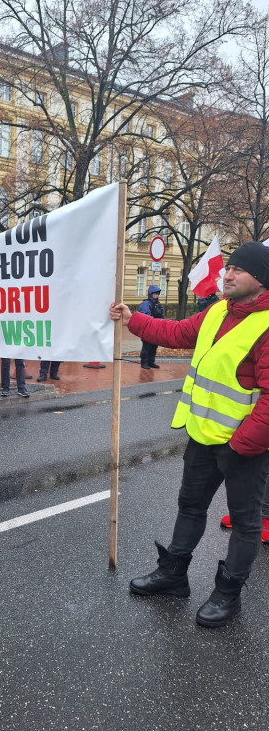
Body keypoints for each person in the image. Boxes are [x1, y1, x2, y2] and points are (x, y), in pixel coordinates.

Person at [110, 241, 269, 628]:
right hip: (202, 437)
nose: (227, 274)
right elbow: (177, 332)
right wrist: (132, 319)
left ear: (262, 281)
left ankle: (228, 595)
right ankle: (173, 575)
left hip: (243, 448)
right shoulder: (216, 312)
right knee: (190, 506)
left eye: (238, 270)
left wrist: (240, 445)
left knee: (246, 523)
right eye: (227, 268)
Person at [137, 285, 164, 368]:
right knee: (146, 346)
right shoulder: (146, 304)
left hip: (156, 328)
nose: (156, 295)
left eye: (157, 293)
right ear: (151, 294)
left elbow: (162, 316)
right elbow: (144, 316)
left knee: (154, 346)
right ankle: (144, 363)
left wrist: (163, 324)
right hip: (148, 329)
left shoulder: (158, 304)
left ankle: (151, 361)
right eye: (155, 293)